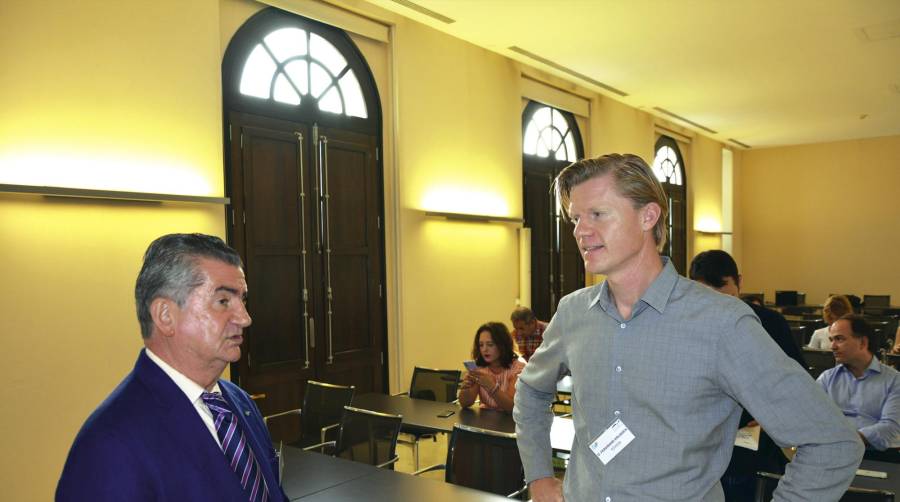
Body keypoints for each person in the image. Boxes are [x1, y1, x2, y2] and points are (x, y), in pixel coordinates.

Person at [513, 154, 863, 502]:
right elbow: (530, 391)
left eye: (598, 214)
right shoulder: (574, 312)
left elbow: (832, 443)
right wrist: (540, 476)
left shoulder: (722, 322)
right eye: (575, 218)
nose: (580, 231)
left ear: (648, 215)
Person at [57, 233, 287, 502]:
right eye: (223, 301)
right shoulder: (109, 446)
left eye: (243, 300)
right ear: (166, 316)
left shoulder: (239, 403)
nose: (245, 318)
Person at [689, 249, 806, 502]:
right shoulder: (685, 324)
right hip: (701, 443)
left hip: (752, 443)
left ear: (739, 283)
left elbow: (797, 384)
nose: (718, 307)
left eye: (725, 296)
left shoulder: (769, 322)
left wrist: (768, 415)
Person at [818, 314, 900, 451]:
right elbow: (812, 417)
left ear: (863, 343)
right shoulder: (827, 378)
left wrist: (846, 439)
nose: (832, 346)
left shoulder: (894, 380)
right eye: (831, 340)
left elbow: (890, 427)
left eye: (839, 339)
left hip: (876, 457)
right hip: (830, 451)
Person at [458, 321, 525, 412]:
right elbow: (465, 403)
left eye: (490, 344)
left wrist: (491, 387)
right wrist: (465, 389)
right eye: (481, 345)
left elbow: (512, 408)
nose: (485, 349)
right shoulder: (480, 367)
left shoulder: (518, 368)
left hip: (509, 422)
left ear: (502, 345)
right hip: (485, 421)